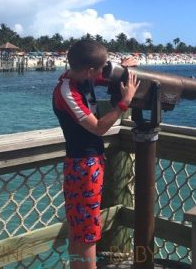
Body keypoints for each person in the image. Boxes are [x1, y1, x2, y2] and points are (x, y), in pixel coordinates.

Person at [52, 40, 140, 269]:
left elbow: (108, 78)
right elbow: (99, 127)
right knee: (87, 232)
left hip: (88, 164)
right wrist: (125, 103)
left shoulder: (83, 77)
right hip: (83, 166)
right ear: (90, 70)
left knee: (79, 228)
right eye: (102, 68)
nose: (104, 72)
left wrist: (123, 67)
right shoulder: (67, 91)